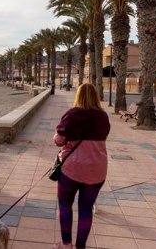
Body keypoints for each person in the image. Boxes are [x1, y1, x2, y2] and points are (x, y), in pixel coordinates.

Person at [53, 83, 110, 249]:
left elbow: (59, 141)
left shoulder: (71, 115)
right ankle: (80, 246)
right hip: (97, 170)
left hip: (72, 169)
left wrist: (57, 136)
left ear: (78, 96)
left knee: (65, 206)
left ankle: (66, 244)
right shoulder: (103, 117)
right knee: (85, 210)